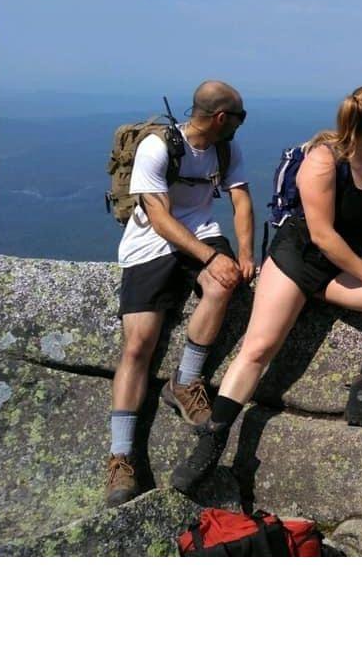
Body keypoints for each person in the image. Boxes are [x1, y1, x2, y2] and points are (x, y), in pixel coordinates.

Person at [171, 84, 362, 495]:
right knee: (258, 349)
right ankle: (211, 443)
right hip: (297, 261)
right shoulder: (323, 160)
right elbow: (321, 234)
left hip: (338, 267)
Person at [106, 80, 254, 507]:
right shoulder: (157, 148)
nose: (242, 125)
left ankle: (185, 381)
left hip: (201, 230)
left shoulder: (227, 150)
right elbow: (158, 216)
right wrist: (211, 257)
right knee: (137, 346)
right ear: (222, 118)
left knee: (223, 284)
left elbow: (241, 201)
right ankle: (120, 457)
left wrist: (244, 254)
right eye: (239, 116)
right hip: (150, 242)